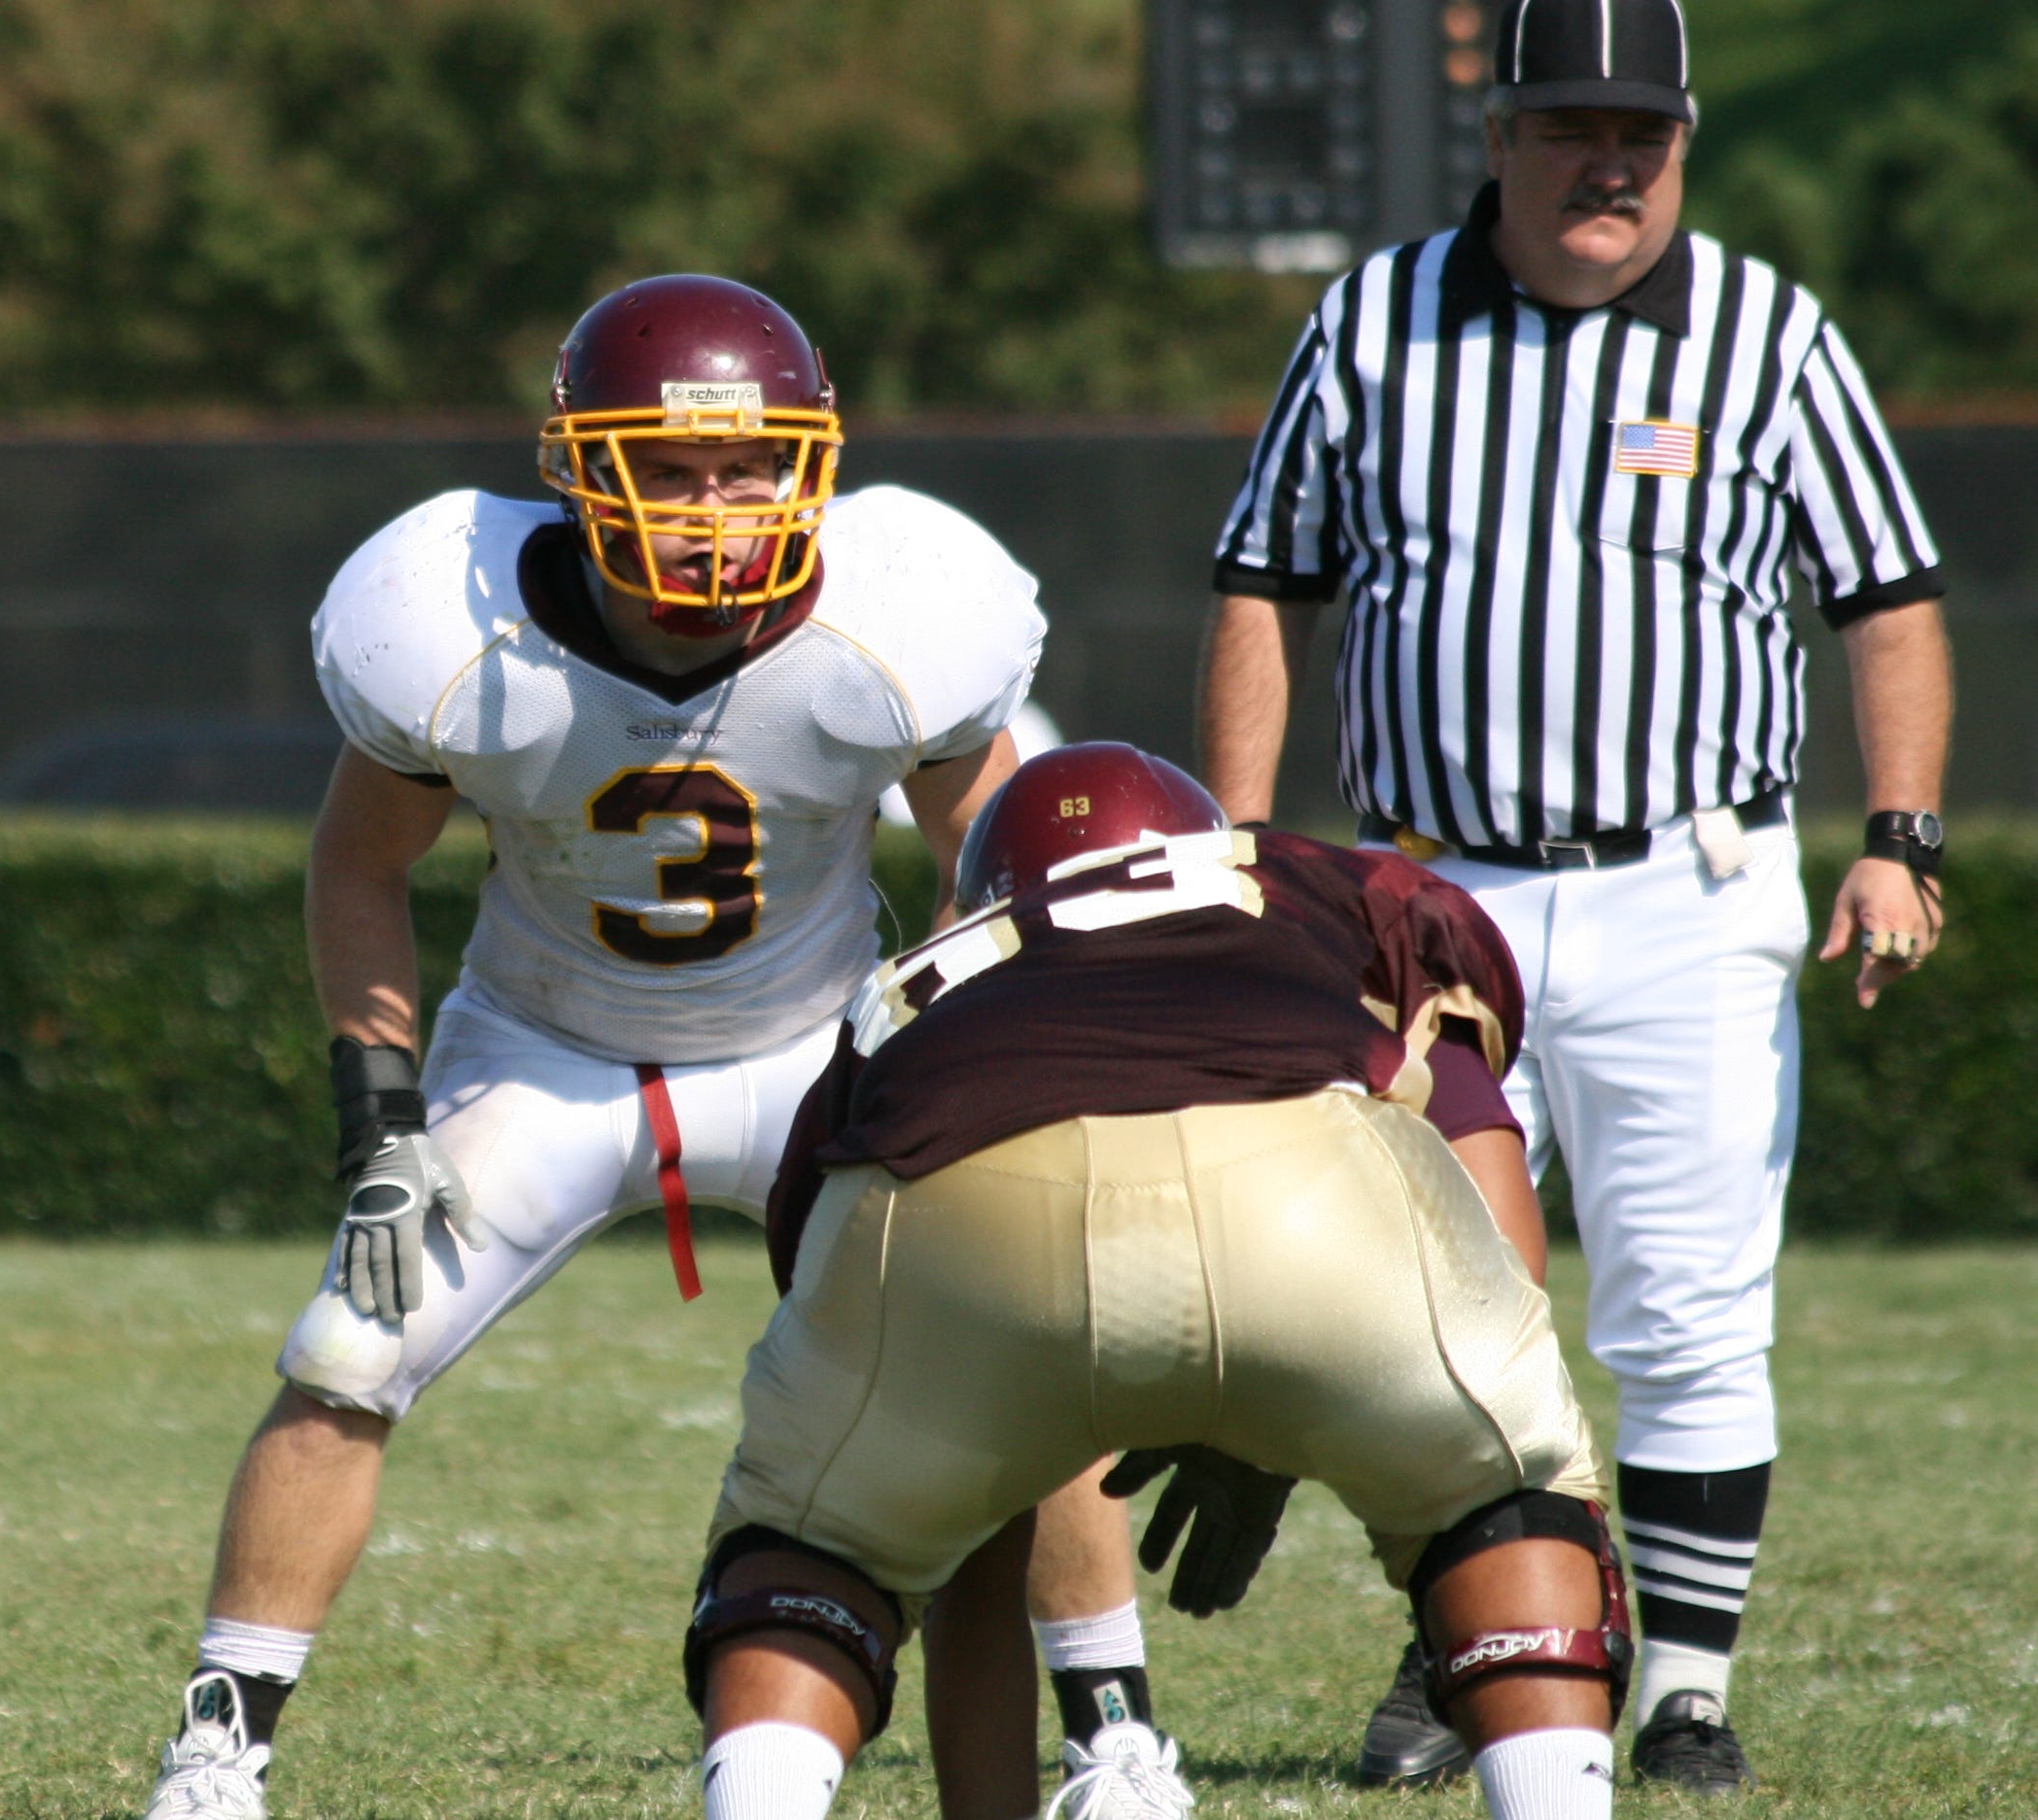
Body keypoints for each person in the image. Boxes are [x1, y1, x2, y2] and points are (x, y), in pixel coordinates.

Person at [132, 274, 1182, 1820]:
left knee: (1012, 1346)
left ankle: (1116, 1735)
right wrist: (380, 1123)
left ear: (809, 463)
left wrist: (1008, 1083)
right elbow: (358, 865)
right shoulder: (460, 629)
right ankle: (219, 1749)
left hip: (816, 1046)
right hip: (545, 1051)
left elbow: (997, 870)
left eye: (749, 466)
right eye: (671, 468)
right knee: (348, 1352)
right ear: (576, 467)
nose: (715, 506)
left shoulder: (894, 620)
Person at [1197, 0, 1950, 1792]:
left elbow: (1890, 599)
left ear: (1684, 136)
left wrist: (1899, 836)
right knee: (1425, 1306)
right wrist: (1234, 847)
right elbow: (1260, 584)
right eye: (1567, 125)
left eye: (1644, 129)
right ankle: (1476, 1638)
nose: (1608, 160)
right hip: (1425, 898)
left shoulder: (1767, 333)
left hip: (1683, 883)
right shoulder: (1373, 319)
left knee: (1686, 1311)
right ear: (1498, 133)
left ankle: (1681, 1676)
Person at [685, 742, 1626, 1820]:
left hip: (962, 1197)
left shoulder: (921, 980)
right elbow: (1498, 1254)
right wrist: (1297, 1406)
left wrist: (917, 1467)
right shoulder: (1324, 890)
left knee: (821, 1549)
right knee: (1504, 1497)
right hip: (1305, 1197)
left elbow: (815, 1264)